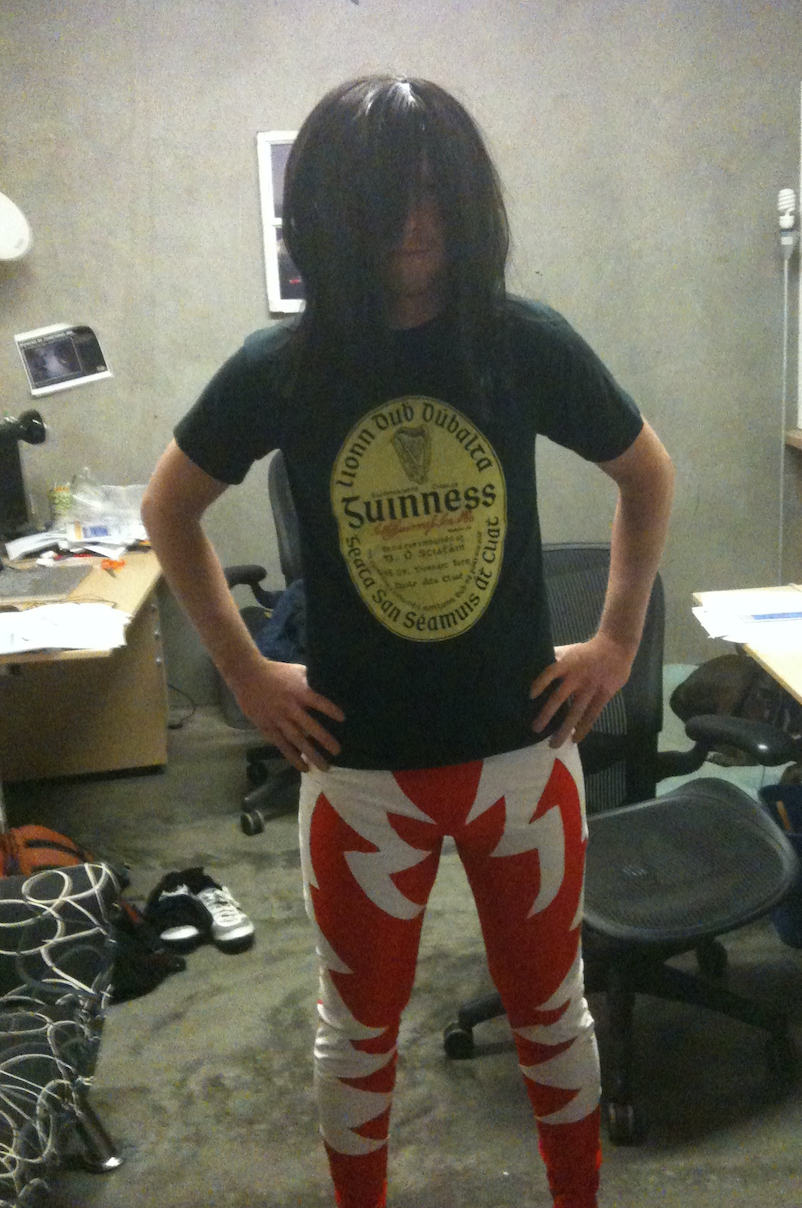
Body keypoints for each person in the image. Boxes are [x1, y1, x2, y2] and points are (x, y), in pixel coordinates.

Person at [142, 75, 674, 1208]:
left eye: (437, 189)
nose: (415, 218)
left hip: (520, 756)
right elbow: (169, 509)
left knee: (551, 1015)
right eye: (386, 194)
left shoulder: (521, 342)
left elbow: (647, 474)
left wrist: (618, 639)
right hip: (360, 770)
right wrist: (244, 671)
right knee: (356, 1032)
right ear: (330, 209)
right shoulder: (282, 366)